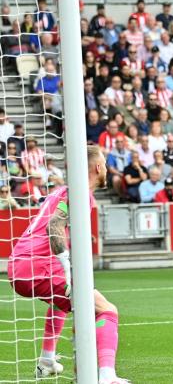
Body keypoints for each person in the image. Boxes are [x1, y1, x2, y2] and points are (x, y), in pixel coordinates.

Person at [7, 146, 128, 382]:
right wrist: (66, 265)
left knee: (62, 302)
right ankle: (107, 376)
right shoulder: (81, 194)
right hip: (41, 264)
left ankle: (47, 360)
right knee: (107, 310)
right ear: (97, 167)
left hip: (19, 264)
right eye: (103, 163)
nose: (105, 167)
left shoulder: (62, 191)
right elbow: (54, 226)